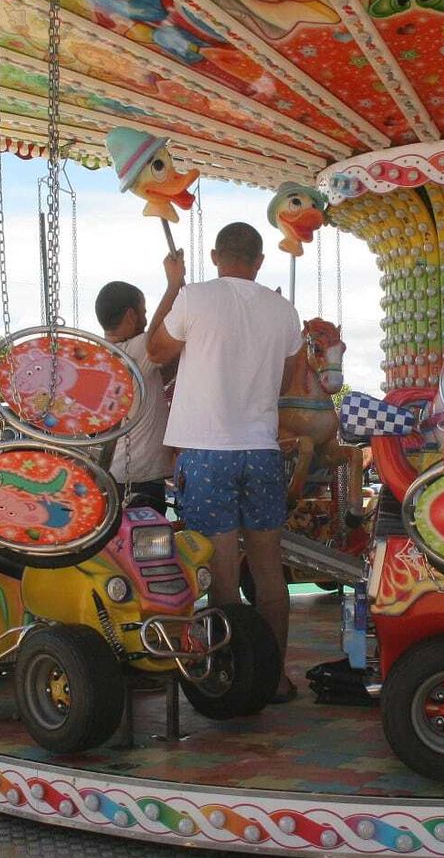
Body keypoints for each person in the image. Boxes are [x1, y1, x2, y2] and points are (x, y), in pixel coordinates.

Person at [149, 222, 303, 702]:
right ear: (260, 261)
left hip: (207, 451)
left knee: (221, 573)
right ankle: (273, 678)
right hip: (261, 449)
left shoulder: (194, 297)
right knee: (268, 569)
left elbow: (155, 351)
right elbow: (288, 380)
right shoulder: (283, 310)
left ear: (216, 256)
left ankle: (233, 677)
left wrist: (173, 285)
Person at [95, 280, 175, 514]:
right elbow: (165, 326)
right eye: (144, 312)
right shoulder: (135, 349)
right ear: (131, 315)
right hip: (140, 478)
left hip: (114, 472)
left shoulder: (103, 355)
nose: (147, 319)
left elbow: (155, 378)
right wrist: (174, 284)